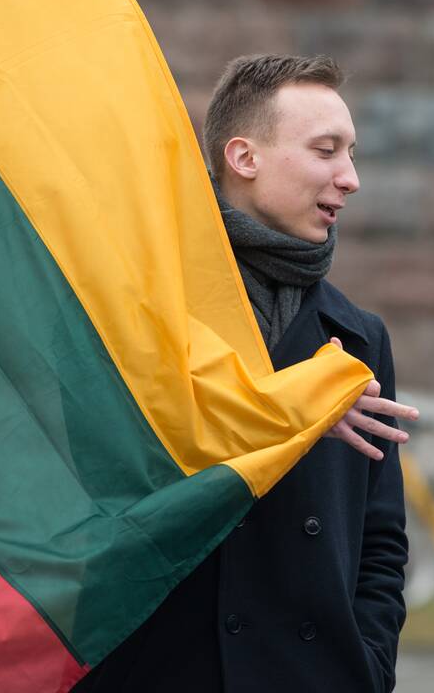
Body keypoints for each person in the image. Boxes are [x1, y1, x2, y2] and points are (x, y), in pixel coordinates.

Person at [76, 55, 413, 692]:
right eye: (325, 150)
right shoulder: (143, 309)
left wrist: (367, 663)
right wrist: (288, 407)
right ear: (244, 157)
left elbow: (381, 540)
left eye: (351, 153)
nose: (351, 178)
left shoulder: (359, 338)